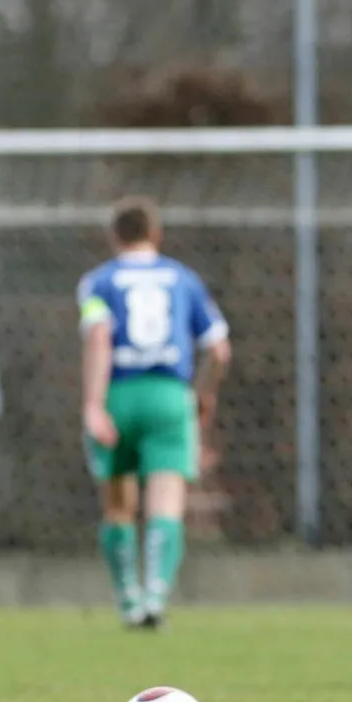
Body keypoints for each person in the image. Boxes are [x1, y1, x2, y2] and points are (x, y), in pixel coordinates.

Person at [78, 196, 232, 629]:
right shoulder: (183, 280)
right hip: (169, 395)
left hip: (118, 394)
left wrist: (92, 405)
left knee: (118, 505)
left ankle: (128, 598)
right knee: (166, 502)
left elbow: (98, 337)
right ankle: (156, 596)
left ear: (114, 237)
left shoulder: (98, 282)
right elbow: (219, 349)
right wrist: (203, 394)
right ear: (156, 235)